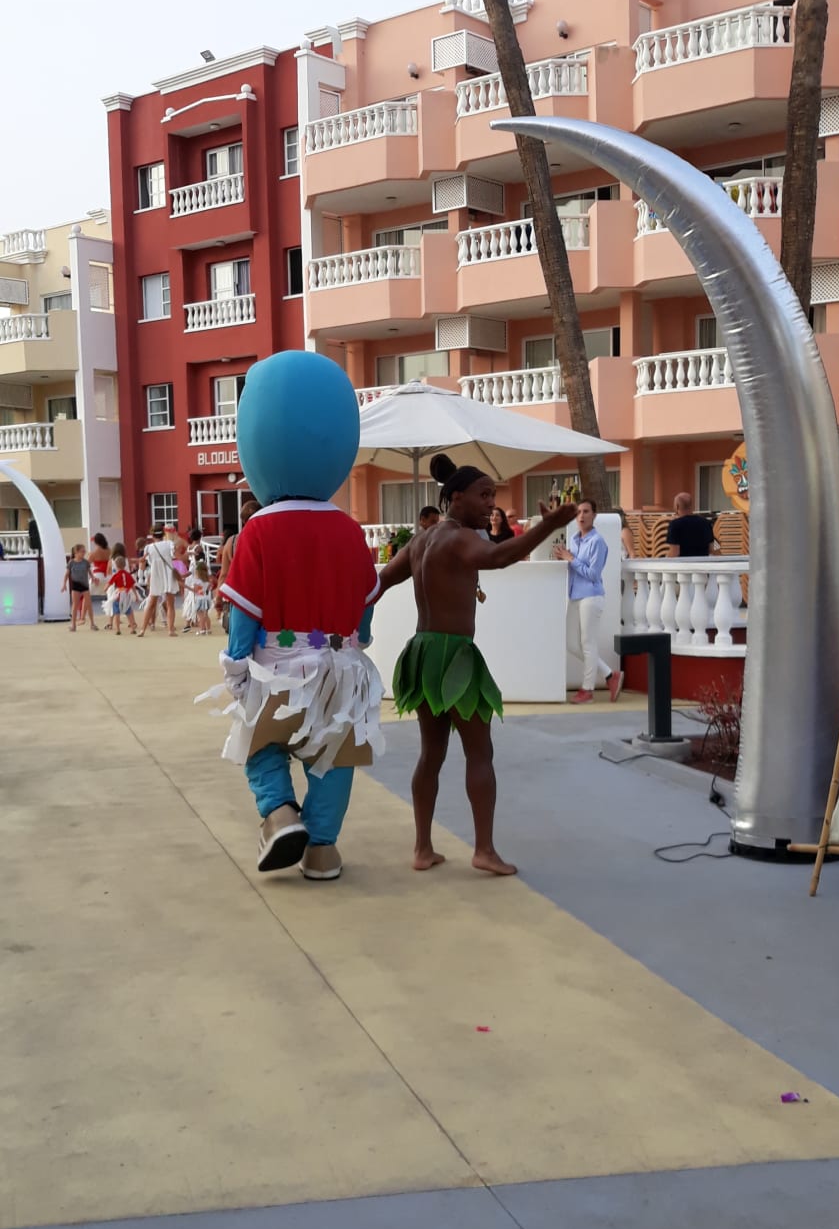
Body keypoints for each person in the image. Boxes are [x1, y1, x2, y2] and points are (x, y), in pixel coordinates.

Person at [202, 351, 383, 882]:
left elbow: (244, 614)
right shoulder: (349, 529)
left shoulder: (259, 529)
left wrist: (236, 666)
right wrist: (358, 639)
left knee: (261, 745)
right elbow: (366, 610)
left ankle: (280, 813)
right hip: (342, 666)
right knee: (335, 759)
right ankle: (322, 849)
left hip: (278, 667)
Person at [377, 454, 577, 876]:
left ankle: (422, 848)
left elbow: (378, 583)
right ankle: (484, 850)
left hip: (422, 651)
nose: (490, 504)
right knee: (479, 751)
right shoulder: (458, 538)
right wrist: (548, 525)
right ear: (456, 497)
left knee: (431, 753)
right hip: (454, 655)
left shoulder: (421, 541)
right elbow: (501, 556)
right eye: (484, 495)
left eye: (493, 495)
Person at [555, 498, 623, 704]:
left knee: (588, 643)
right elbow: (573, 567)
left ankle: (587, 690)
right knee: (570, 643)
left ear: (594, 515)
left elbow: (593, 574)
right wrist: (563, 559)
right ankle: (610, 674)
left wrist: (571, 559)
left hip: (591, 596)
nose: (581, 516)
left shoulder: (597, 542)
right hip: (574, 596)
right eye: (578, 512)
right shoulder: (574, 539)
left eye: (586, 511)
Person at [137, 525, 177, 636]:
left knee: (151, 603)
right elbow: (174, 555)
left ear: (152, 535)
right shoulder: (169, 544)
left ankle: (142, 630)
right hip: (168, 573)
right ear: (163, 534)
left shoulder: (148, 548)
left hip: (156, 574)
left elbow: (145, 562)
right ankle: (171, 630)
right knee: (170, 604)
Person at [666, 491, 716, 558]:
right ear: (691, 506)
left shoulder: (675, 525)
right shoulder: (706, 523)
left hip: (683, 563)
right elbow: (713, 548)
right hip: (702, 563)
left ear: (677, 506)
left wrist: (664, 561)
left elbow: (674, 552)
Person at [62, 545, 97, 631]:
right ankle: (73, 625)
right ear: (76, 552)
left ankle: (92, 624)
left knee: (89, 605)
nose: (84, 553)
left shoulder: (86, 562)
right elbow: (66, 574)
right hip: (76, 586)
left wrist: (93, 578)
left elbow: (90, 572)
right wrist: (64, 584)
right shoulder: (71, 563)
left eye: (84, 551)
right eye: (82, 551)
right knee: (75, 605)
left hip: (85, 586)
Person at [107, 553, 138, 635]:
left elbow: (110, 583)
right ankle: (132, 628)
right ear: (125, 565)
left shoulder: (116, 575)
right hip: (126, 595)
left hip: (118, 595)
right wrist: (136, 596)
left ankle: (118, 629)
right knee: (128, 612)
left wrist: (105, 588)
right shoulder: (128, 575)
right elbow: (132, 586)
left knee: (117, 613)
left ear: (116, 566)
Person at [187, 560, 214, 634]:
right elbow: (209, 588)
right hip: (206, 598)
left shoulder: (197, 581)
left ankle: (202, 629)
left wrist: (186, 587)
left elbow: (196, 591)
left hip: (200, 599)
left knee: (200, 615)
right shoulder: (208, 580)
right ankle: (208, 629)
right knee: (206, 615)